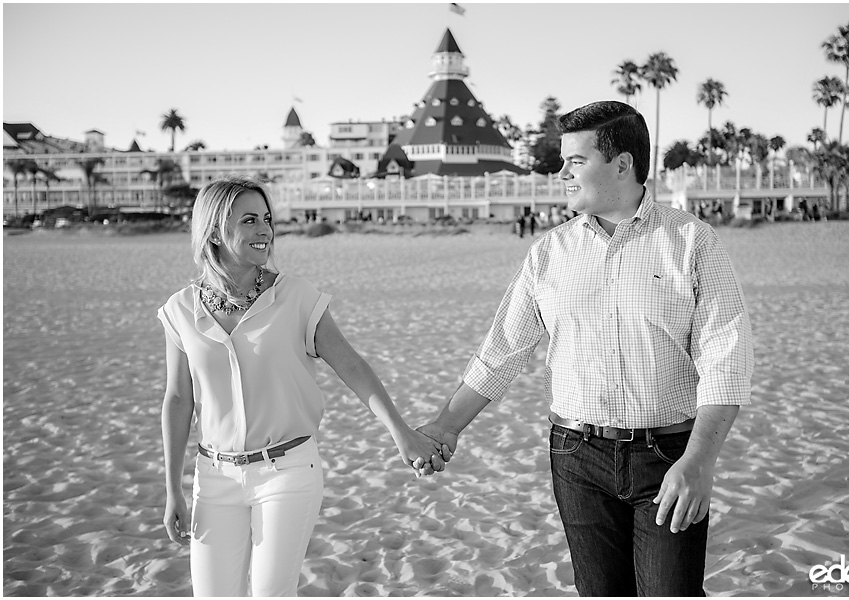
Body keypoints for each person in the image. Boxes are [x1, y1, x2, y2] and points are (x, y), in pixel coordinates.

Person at [415, 101, 753, 596]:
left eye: (575, 161)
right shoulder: (549, 252)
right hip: (576, 455)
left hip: (669, 454)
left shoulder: (692, 243)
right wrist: (445, 426)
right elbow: (503, 350)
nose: (562, 173)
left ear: (622, 164)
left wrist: (700, 460)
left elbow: (727, 359)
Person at [159, 175, 450, 596]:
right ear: (215, 232)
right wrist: (173, 490)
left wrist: (400, 433)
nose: (265, 231)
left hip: (287, 472)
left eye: (267, 219)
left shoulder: (296, 297)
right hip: (214, 476)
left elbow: (350, 365)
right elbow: (177, 399)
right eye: (249, 221)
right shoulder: (181, 310)